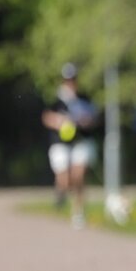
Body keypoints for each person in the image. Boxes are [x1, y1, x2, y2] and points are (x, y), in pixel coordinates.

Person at [41, 63, 100, 229]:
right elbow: (46, 117)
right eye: (68, 79)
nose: (70, 82)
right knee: (65, 180)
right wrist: (59, 122)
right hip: (61, 144)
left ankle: (78, 212)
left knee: (78, 176)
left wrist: (86, 122)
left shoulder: (85, 99)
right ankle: (60, 194)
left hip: (81, 142)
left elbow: (95, 118)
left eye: (73, 79)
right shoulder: (56, 100)